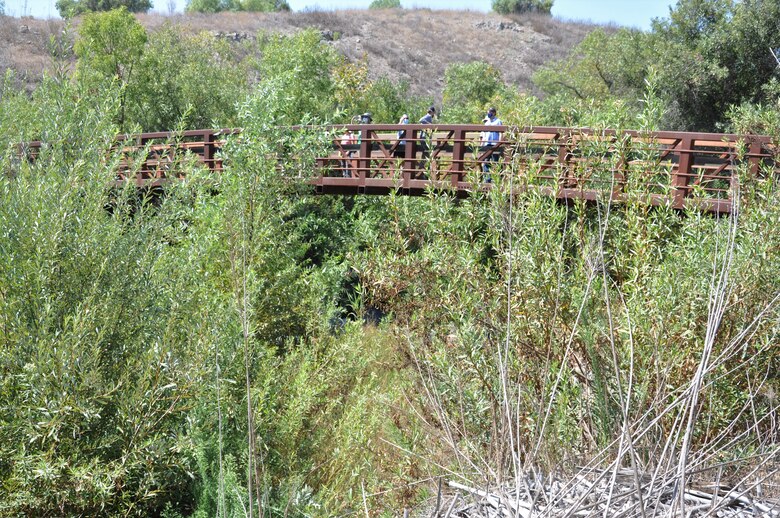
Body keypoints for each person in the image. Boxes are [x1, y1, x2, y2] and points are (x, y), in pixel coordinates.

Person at [480, 107, 502, 182]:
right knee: (486, 161)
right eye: (488, 111)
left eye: (491, 112)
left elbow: (501, 133)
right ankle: (487, 179)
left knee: (495, 161)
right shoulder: (486, 121)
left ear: (494, 113)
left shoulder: (498, 121)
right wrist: (481, 144)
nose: (489, 113)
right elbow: (483, 134)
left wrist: (499, 143)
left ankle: (495, 180)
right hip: (487, 144)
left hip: (495, 144)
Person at [417, 106, 436, 174]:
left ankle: (421, 170)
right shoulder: (428, 116)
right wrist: (429, 124)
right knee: (427, 153)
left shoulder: (429, 117)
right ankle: (421, 170)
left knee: (426, 153)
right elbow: (420, 120)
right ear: (433, 112)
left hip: (425, 137)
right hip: (424, 138)